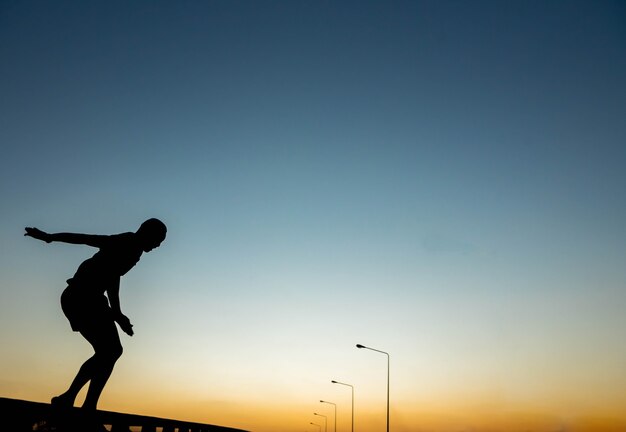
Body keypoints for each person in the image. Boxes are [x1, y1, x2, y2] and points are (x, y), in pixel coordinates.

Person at [24, 218, 167, 411]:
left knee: (111, 352)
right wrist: (49, 238)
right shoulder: (125, 242)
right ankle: (74, 399)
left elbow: (113, 276)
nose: (158, 246)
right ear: (147, 233)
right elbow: (85, 238)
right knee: (110, 351)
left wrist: (118, 313)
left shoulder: (135, 250)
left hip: (93, 299)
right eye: (158, 240)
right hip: (80, 297)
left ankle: (82, 402)